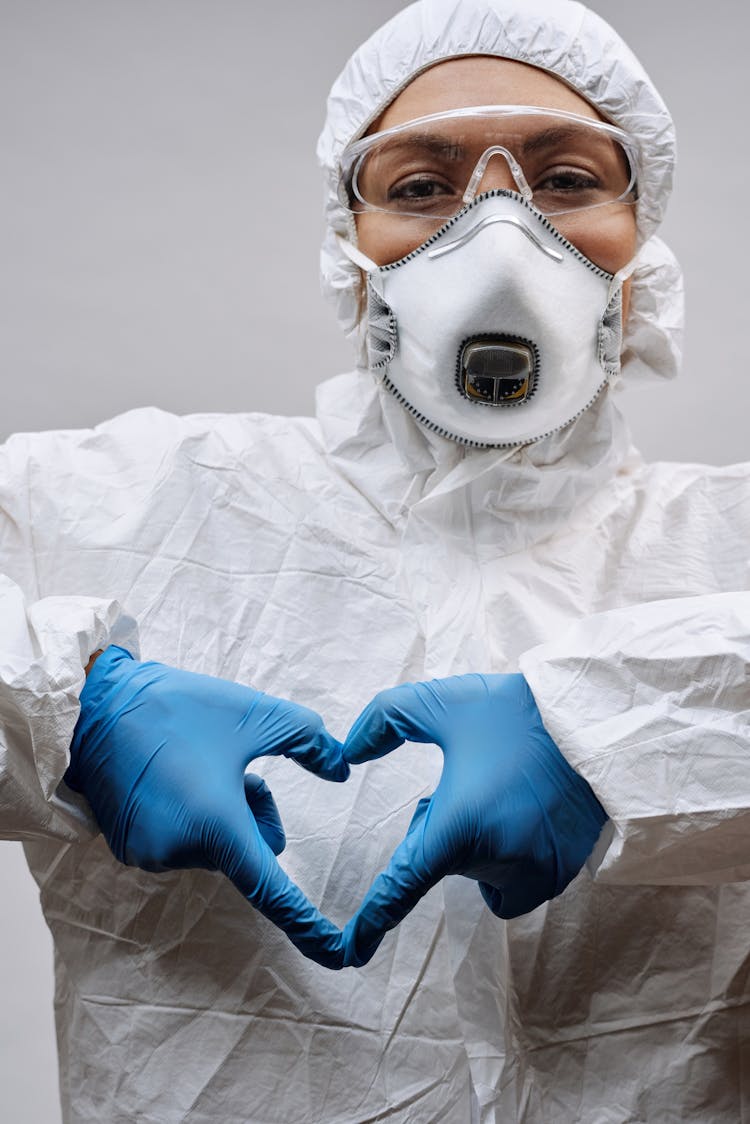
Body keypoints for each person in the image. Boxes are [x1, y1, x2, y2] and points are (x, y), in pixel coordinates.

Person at [1, 1, 748, 1122]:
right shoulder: (141, 504)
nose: (501, 233)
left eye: (565, 180)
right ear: (350, 257)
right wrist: (61, 705)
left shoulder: (723, 547)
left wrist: (624, 735)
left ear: (643, 247)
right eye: (419, 187)